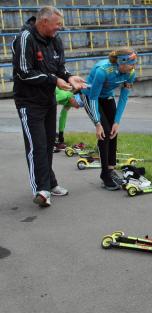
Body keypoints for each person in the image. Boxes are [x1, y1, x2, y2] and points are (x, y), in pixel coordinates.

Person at [12, 6, 86, 207]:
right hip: (29, 102)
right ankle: (41, 190)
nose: (59, 28)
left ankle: (50, 183)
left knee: (48, 145)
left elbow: (60, 67)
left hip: (48, 100)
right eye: (56, 24)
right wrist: (54, 80)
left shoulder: (55, 39)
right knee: (36, 146)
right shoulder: (25, 38)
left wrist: (69, 77)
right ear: (43, 22)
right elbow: (24, 72)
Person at [79, 48, 137, 190]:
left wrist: (117, 122)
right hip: (90, 96)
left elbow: (123, 97)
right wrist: (97, 123)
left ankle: (111, 169)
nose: (133, 67)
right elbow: (92, 98)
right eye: (131, 63)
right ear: (121, 62)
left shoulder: (130, 73)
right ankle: (104, 175)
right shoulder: (103, 71)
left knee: (112, 130)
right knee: (104, 131)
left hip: (106, 96)